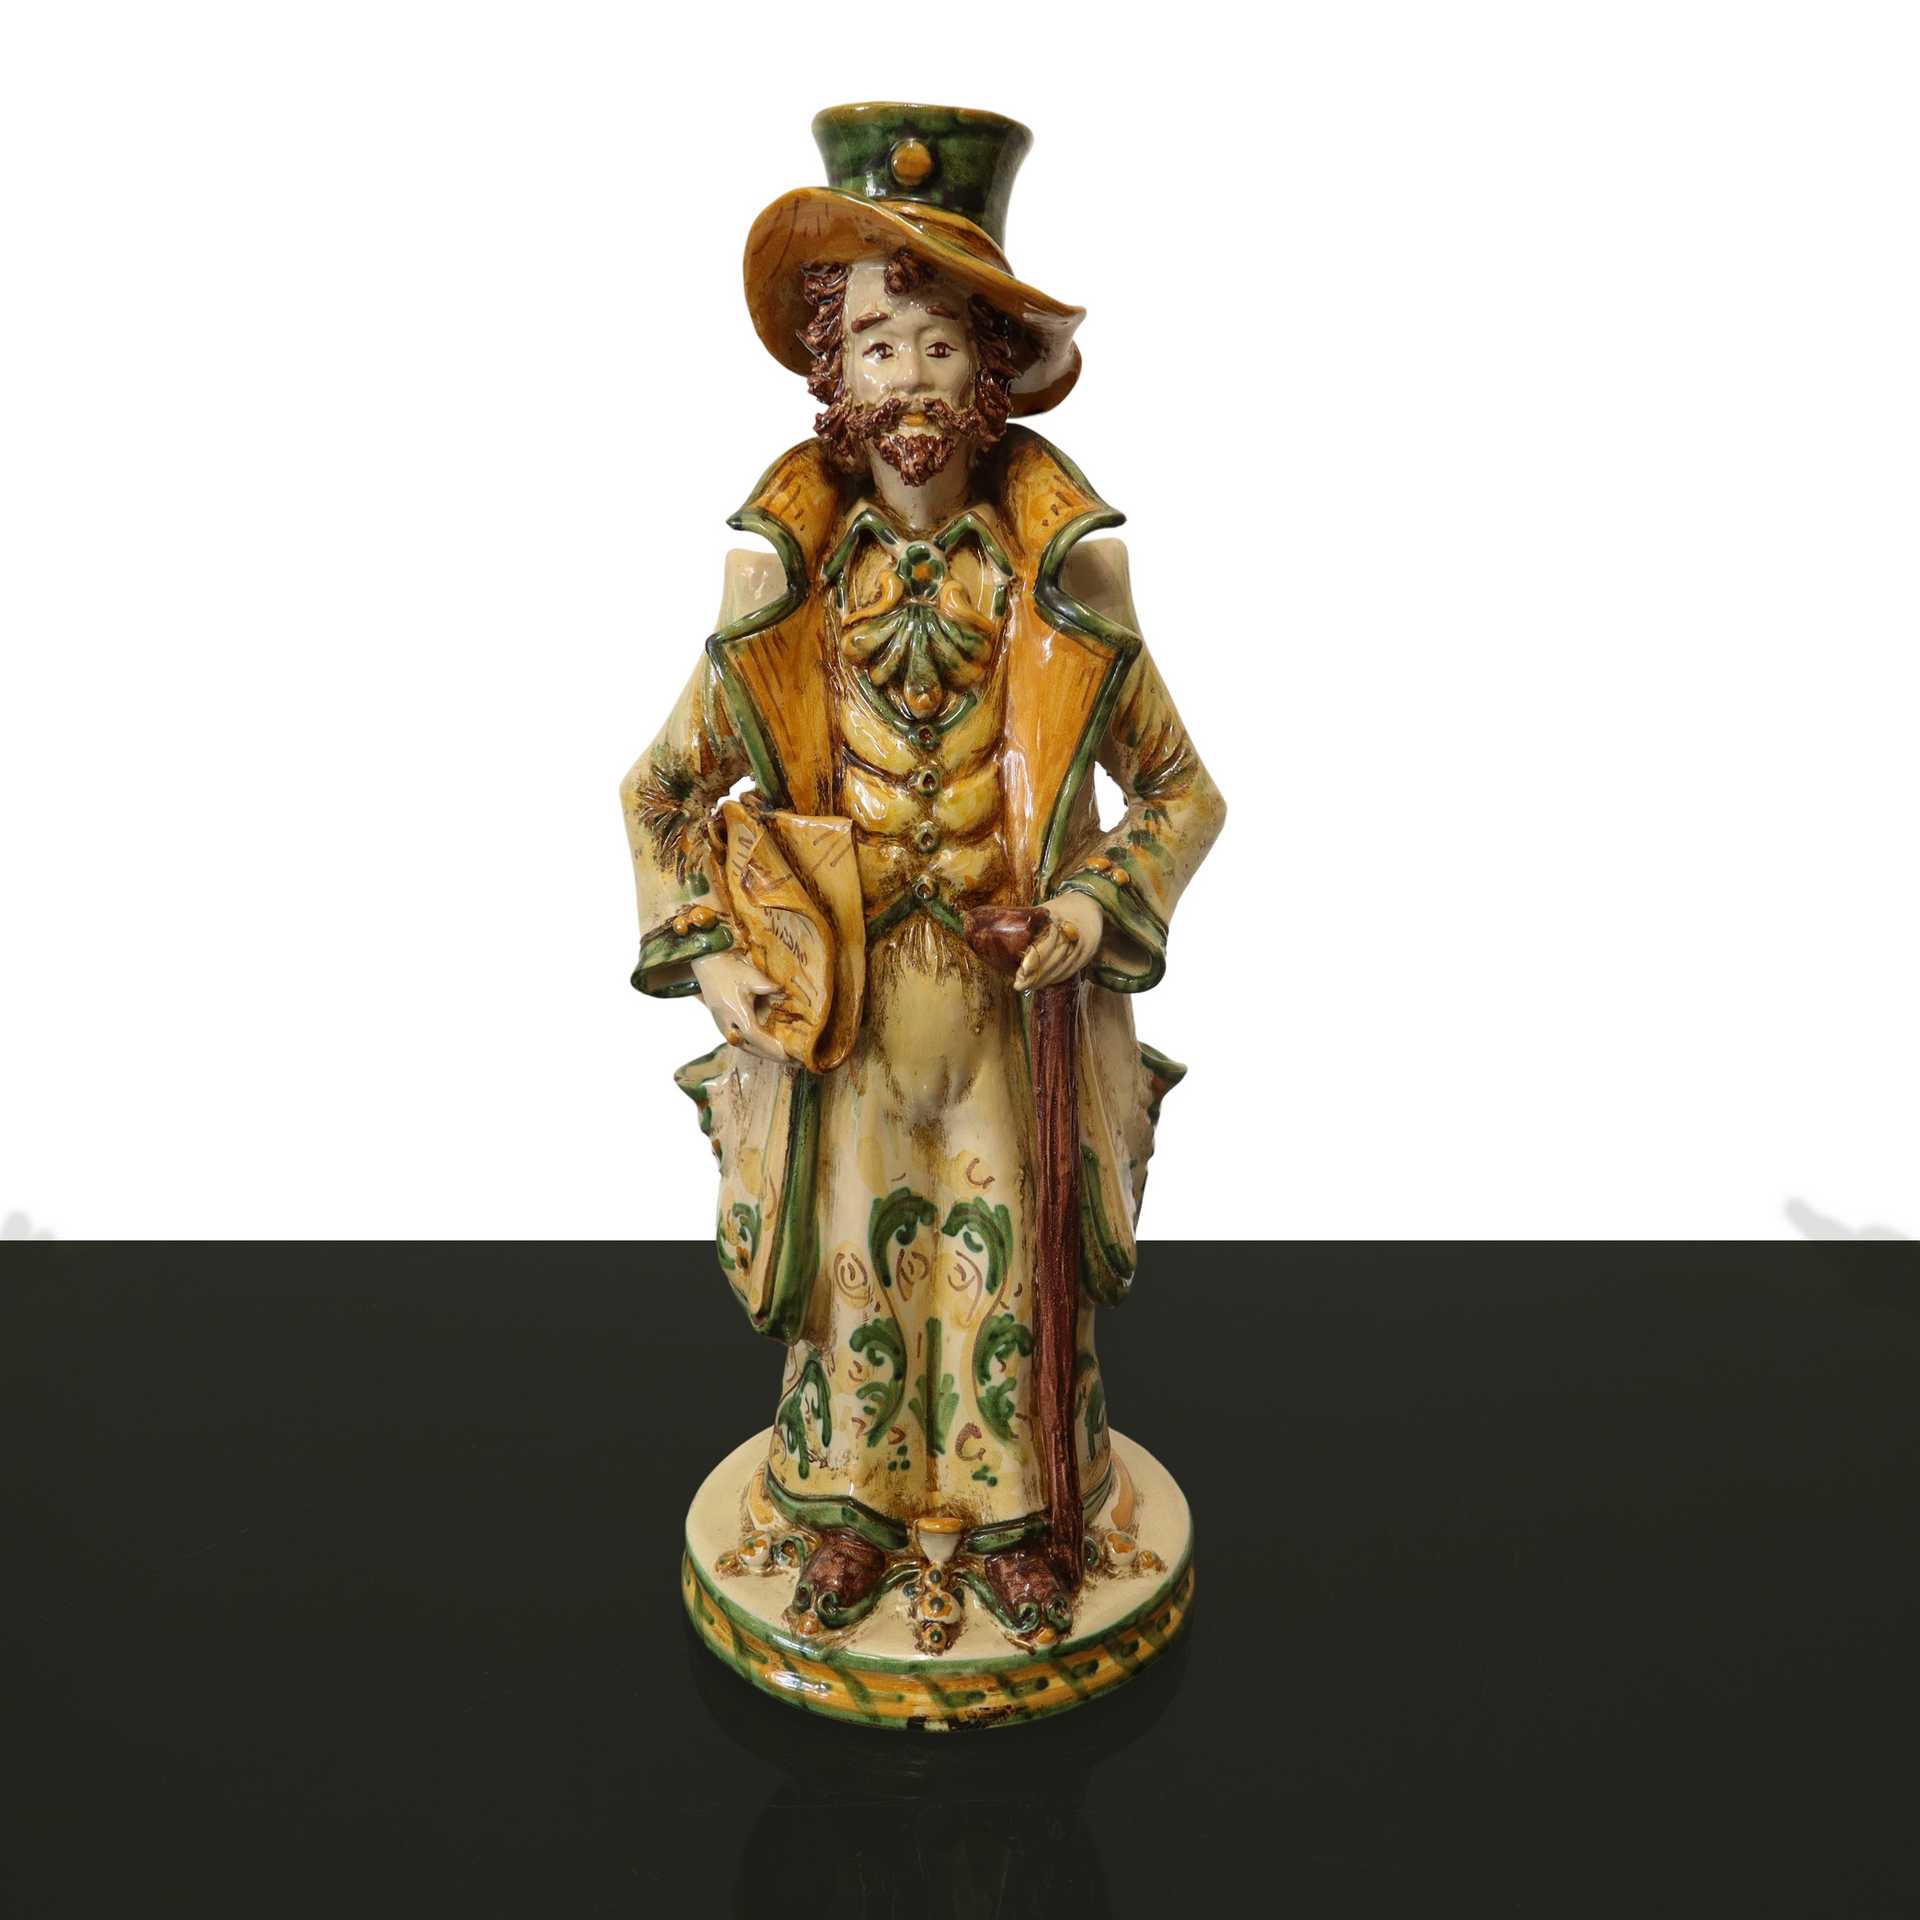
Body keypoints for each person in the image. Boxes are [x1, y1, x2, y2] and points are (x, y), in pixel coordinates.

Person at [623, 103, 1224, 1642]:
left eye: (942, 345)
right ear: (835, 374)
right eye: (879, 345)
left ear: (990, 373)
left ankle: (1019, 1520)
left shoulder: (1062, 585)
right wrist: (717, 957)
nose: (909, 380)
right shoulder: (784, 595)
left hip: (1010, 1002)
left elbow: (1180, 789)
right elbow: (663, 789)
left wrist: (1088, 905)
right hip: (849, 1006)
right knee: (857, 1259)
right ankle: (850, 1511)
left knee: (1002, 1254)